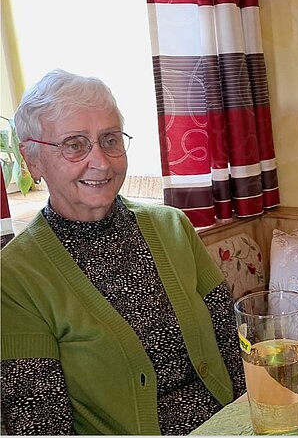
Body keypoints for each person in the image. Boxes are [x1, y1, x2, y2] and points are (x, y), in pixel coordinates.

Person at [0, 69, 246, 435]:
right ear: (32, 160)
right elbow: (41, 424)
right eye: (74, 144)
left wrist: (249, 420)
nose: (101, 162)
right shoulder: (14, 277)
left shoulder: (173, 226)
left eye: (110, 139)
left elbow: (231, 343)